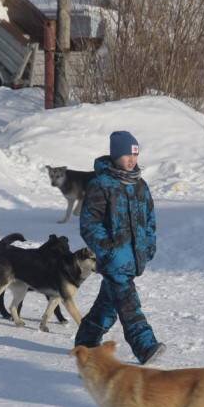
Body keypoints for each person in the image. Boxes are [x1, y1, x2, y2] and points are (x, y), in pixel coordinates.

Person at [74, 130, 165, 364]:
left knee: (108, 304)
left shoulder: (140, 186)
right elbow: (89, 223)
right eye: (127, 155)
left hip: (135, 257)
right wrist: (108, 249)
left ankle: (86, 340)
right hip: (114, 258)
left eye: (135, 155)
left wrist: (148, 245)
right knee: (128, 303)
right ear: (116, 155)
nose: (132, 160)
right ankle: (145, 346)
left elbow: (150, 219)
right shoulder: (101, 184)